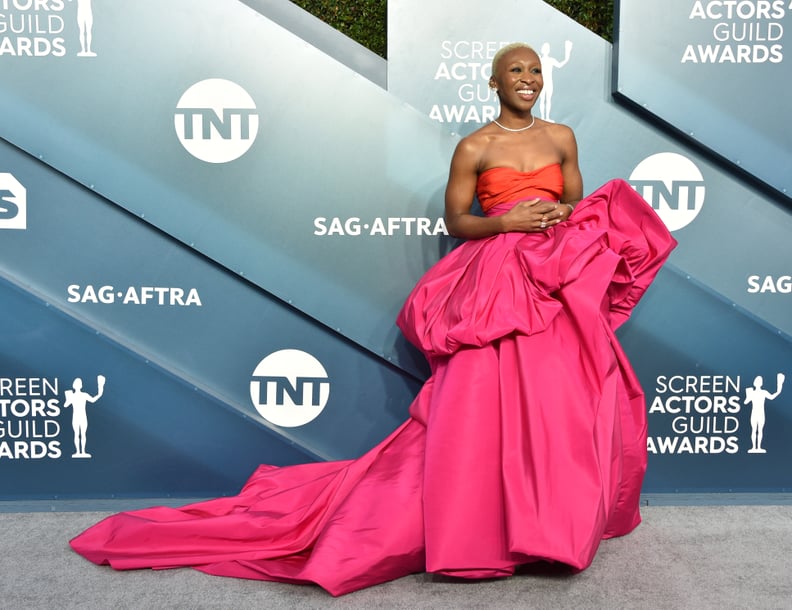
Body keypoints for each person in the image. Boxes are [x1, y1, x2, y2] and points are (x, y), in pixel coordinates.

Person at [69, 43, 677, 596]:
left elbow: (575, 200)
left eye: (536, 70)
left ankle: (551, 526)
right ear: (493, 82)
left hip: (552, 278)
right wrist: (507, 223)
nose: (528, 78)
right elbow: (456, 223)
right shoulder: (476, 146)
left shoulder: (563, 136)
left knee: (557, 402)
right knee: (482, 406)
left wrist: (561, 218)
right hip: (496, 277)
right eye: (515, 70)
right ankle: (483, 528)